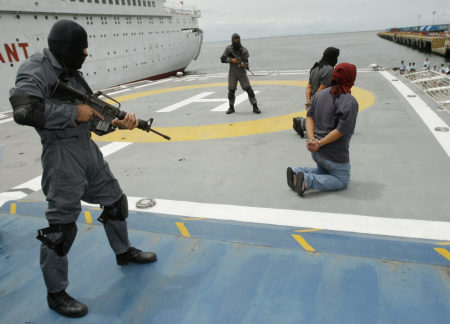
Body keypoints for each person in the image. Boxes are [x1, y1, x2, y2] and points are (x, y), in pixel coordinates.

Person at [9, 20, 157, 318]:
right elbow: (24, 111)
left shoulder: (71, 72)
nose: (87, 52)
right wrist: (72, 112)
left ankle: (123, 252)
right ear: (67, 48)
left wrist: (113, 123)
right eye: (82, 47)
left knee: (115, 202)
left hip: (86, 149)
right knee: (60, 228)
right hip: (61, 155)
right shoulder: (36, 68)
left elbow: (92, 121)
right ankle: (56, 294)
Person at [286, 63, 359, 196]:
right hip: (334, 156)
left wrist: (312, 139)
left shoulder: (319, 95)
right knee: (342, 180)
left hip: (316, 153)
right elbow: (341, 131)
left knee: (325, 171)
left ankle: (297, 172)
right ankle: (307, 181)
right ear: (351, 79)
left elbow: (309, 118)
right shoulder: (349, 101)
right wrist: (319, 143)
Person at [293, 47, 340, 137]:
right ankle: (301, 123)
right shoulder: (329, 70)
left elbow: (309, 87)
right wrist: (313, 103)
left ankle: (301, 122)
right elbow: (322, 89)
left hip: (315, 102)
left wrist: (309, 101)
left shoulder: (315, 68)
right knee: (329, 128)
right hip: (323, 102)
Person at [220, 33, 261, 114]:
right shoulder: (228, 49)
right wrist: (231, 60)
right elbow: (222, 59)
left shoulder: (244, 50)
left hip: (242, 73)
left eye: (237, 40)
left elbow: (247, 64)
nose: (236, 42)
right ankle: (231, 107)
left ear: (240, 40)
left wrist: (244, 65)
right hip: (232, 73)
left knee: (249, 90)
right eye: (234, 40)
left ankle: (255, 106)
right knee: (231, 91)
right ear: (232, 40)